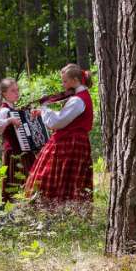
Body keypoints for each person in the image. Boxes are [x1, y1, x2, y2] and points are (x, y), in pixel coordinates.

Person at [24, 64, 94, 206]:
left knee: (49, 179)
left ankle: (50, 211)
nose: (63, 85)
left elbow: (57, 123)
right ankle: (64, 212)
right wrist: (43, 112)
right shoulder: (80, 97)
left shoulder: (77, 100)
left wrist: (44, 108)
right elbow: (66, 118)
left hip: (69, 143)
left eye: (65, 81)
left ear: (75, 80)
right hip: (75, 142)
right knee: (70, 180)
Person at [0, 77, 37, 204]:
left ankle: (27, 212)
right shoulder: (4, 110)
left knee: (28, 182)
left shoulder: (16, 109)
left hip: (25, 152)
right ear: (4, 93)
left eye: (17, 90)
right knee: (14, 184)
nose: (16, 93)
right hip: (13, 154)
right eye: (12, 91)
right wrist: (9, 120)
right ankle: (14, 214)